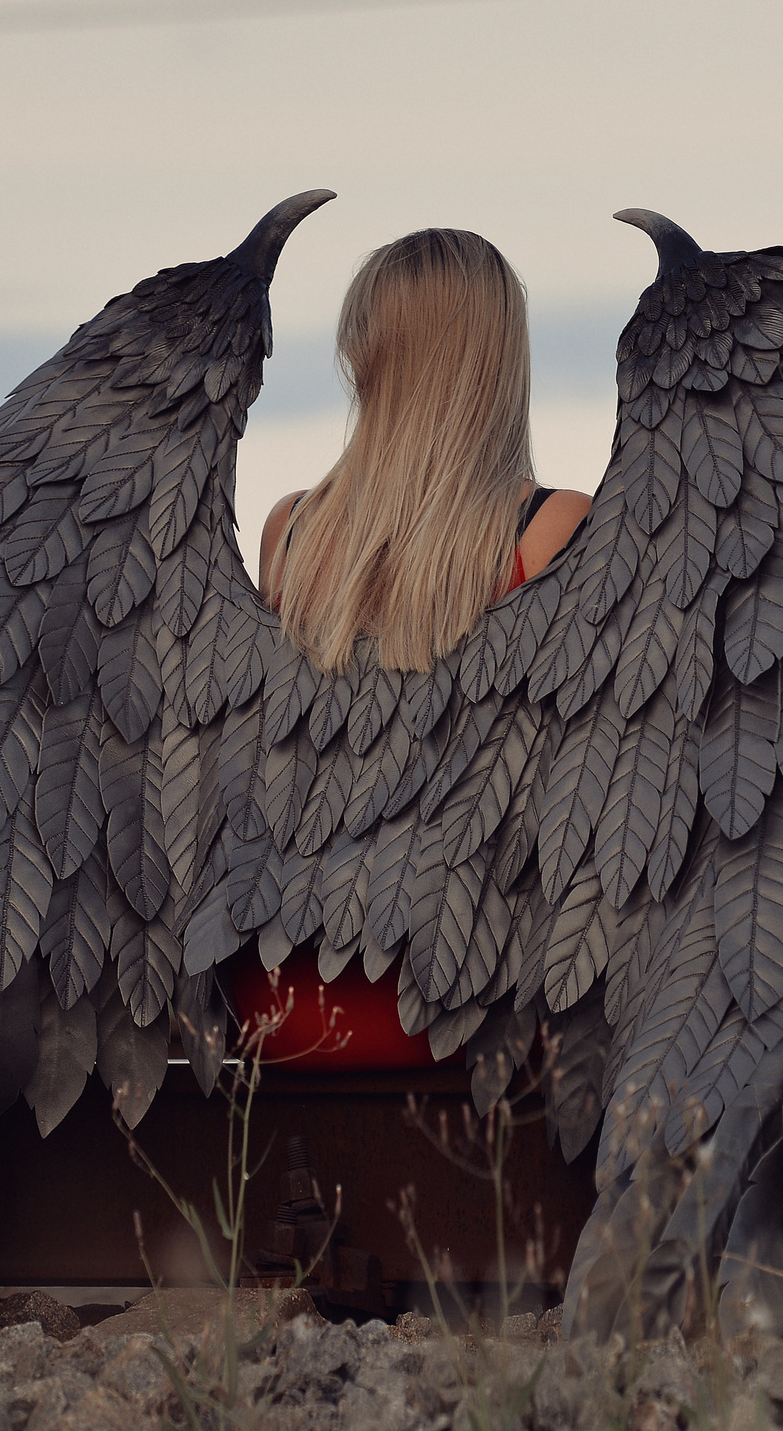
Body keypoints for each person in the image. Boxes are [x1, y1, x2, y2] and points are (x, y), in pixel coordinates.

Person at [238, 226, 591, 1066]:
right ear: (499, 359)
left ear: (363, 352)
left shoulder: (290, 533)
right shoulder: (550, 532)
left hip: (278, 993)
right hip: (464, 998)